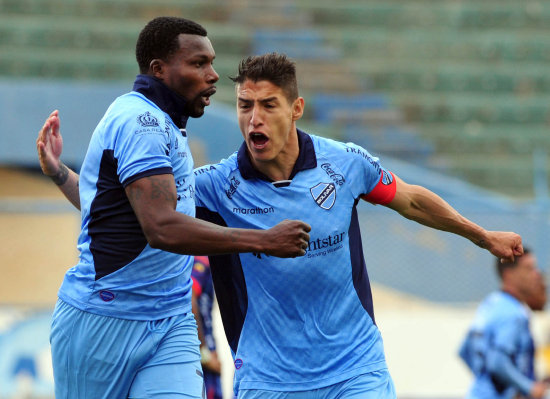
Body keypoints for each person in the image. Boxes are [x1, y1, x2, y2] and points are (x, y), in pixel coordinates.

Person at [37, 53, 523, 398]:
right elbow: (126, 209)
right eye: (245, 105)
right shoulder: (216, 187)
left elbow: (411, 200)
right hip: (268, 380)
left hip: (357, 369)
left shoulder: (343, 163)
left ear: (296, 109)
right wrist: (61, 172)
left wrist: (482, 236)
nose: (253, 119)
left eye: (267, 105)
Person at [36, 20, 311, 399]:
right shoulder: (141, 122)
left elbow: (110, 210)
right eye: (198, 64)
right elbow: (161, 227)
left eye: (211, 63)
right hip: (104, 320)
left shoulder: (165, 123)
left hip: (171, 320)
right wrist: (263, 239)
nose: (213, 75)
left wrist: (59, 173)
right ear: (159, 70)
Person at [459, 248, 549, 399]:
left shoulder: (490, 304)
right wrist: (529, 388)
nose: (535, 275)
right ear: (509, 274)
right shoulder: (514, 314)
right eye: (529, 268)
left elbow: (465, 350)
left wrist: (485, 381)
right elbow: (497, 361)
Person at [192, 256, 224, 399]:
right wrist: (204, 353)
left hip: (207, 352)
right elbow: (189, 296)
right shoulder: (200, 260)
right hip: (202, 356)